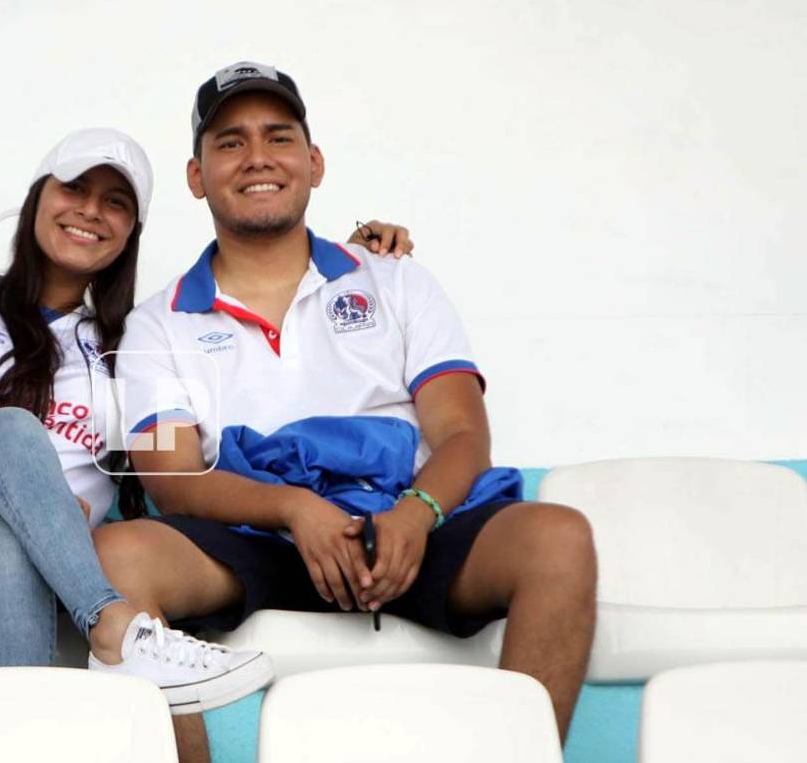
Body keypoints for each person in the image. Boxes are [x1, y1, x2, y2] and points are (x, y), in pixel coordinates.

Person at [0, 127, 414, 725]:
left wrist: (347, 267)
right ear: (38, 196)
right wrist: (36, 495)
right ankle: (114, 631)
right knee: (11, 433)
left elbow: (204, 435)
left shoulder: (128, 353)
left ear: (131, 232)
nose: (90, 211)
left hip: (12, 564)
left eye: (115, 202)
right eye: (74, 188)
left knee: (7, 550)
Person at [95, 62, 598, 743]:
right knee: (116, 559)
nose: (257, 158)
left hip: (404, 522)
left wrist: (416, 513)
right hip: (258, 538)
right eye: (230, 142)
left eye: (278, 137)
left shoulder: (397, 281)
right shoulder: (156, 324)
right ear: (196, 176)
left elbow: (462, 432)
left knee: (558, 539)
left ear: (315, 162)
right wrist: (294, 508)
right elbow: (171, 477)